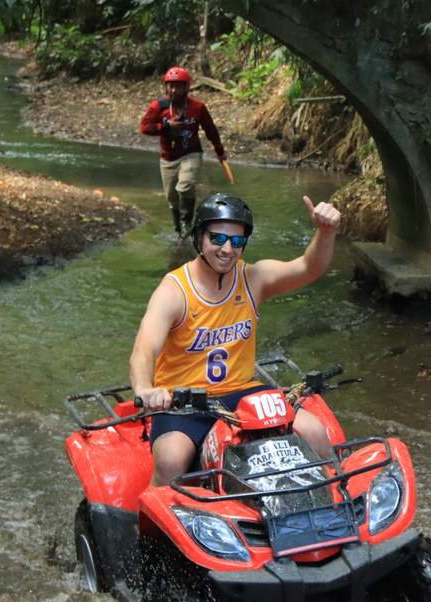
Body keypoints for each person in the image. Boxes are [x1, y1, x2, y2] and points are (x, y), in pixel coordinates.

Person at [130, 192, 342, 485]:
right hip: (185, 401)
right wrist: (145, 387)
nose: (227, 249)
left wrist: (326, 231)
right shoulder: (174, 290)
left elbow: (308, 267)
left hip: (243, 392)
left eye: (237, 241)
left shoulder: (254, 278)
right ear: (200, 237)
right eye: (217, 239)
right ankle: (148, 526)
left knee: (316, 431)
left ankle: (334, 504)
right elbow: (144, 348)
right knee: (171, 459)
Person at [139, 66, 227, 237]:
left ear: (187, 87)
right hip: (168, 158)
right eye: (170, 86)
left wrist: (219, 150)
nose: (173, 90)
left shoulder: (198, 107)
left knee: (185, 187)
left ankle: (187, 223)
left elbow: (210, 129)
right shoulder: (158, 106)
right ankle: (178, 230)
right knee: (172, 199)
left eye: (177, 86)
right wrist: (165, 126)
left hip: (191, 154)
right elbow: (144, 127)